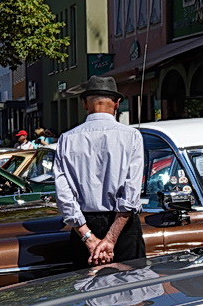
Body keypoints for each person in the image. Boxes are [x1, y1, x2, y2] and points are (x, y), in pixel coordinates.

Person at [54, 76, 145, 266]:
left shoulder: (67, 139)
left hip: (84, 224)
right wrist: (110, 239)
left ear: (84, 104)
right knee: (131, 282)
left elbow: (64, 193)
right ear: (117, 103)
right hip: (123, 226)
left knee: (86, 282)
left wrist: (88, 238)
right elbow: (131, 193)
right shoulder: (132, 136)